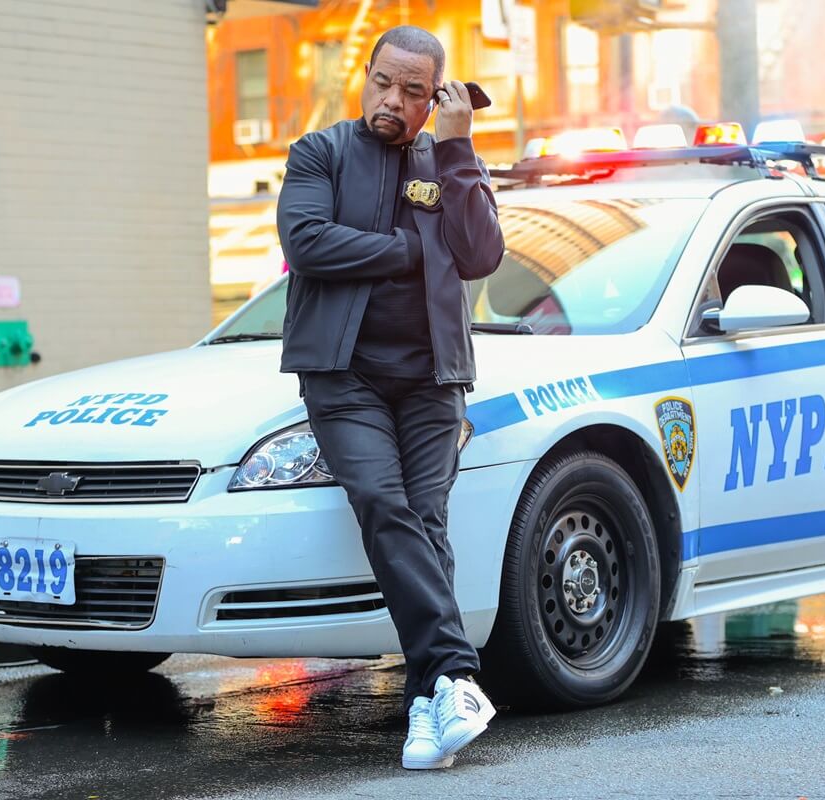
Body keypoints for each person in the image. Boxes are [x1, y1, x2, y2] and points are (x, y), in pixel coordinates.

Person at [276, 25, 506, 769]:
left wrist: (459, 144)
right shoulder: (322, 153)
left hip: (434, 378)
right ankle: (458, 676)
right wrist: (407, 250)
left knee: (426, 520)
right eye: (385, 82)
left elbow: (480, 254)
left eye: (415, 92)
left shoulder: (447, 161)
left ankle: (426, 707)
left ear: (433, 95)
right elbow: (308, 241)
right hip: (345, 377)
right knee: (384, 502)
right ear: (366, 76)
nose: (394, 101)